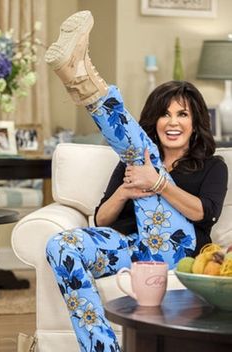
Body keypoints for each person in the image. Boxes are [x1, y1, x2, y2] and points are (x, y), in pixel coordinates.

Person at [45, 10, 228, 352]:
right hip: (132, 248)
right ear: (154, 120)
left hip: (179, 249)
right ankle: (103, 347)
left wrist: (158, 183)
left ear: (195, 122)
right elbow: (101, 219)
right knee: (61, 246)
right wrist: (127, 189)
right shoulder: (132, 161)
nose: (172, 122)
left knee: (143, 160)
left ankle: (82, 80)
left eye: (182, 114)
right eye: (164, 113)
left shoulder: (212, 165)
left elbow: (205, 214)